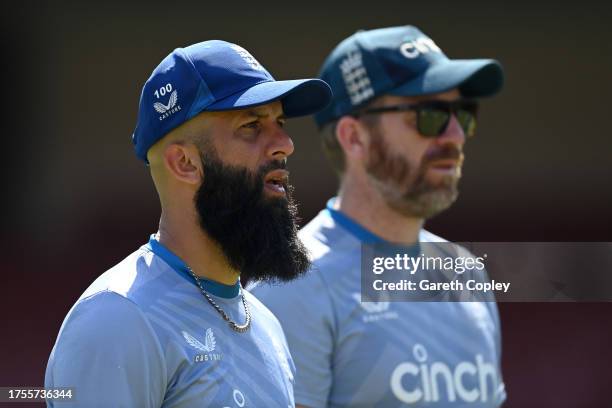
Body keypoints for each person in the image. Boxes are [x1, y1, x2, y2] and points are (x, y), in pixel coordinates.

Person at [44, 40, 331, 407]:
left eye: (280, 123)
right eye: (251, 125)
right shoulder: (119, 318)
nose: (286, 144)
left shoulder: (266, 326)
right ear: (185, 163)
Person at [251, 26, 506, 407]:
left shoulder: (466, 272)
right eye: (431, 115)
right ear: (354, 137)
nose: (455, 135)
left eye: (463, 114)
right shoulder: (293, 283)